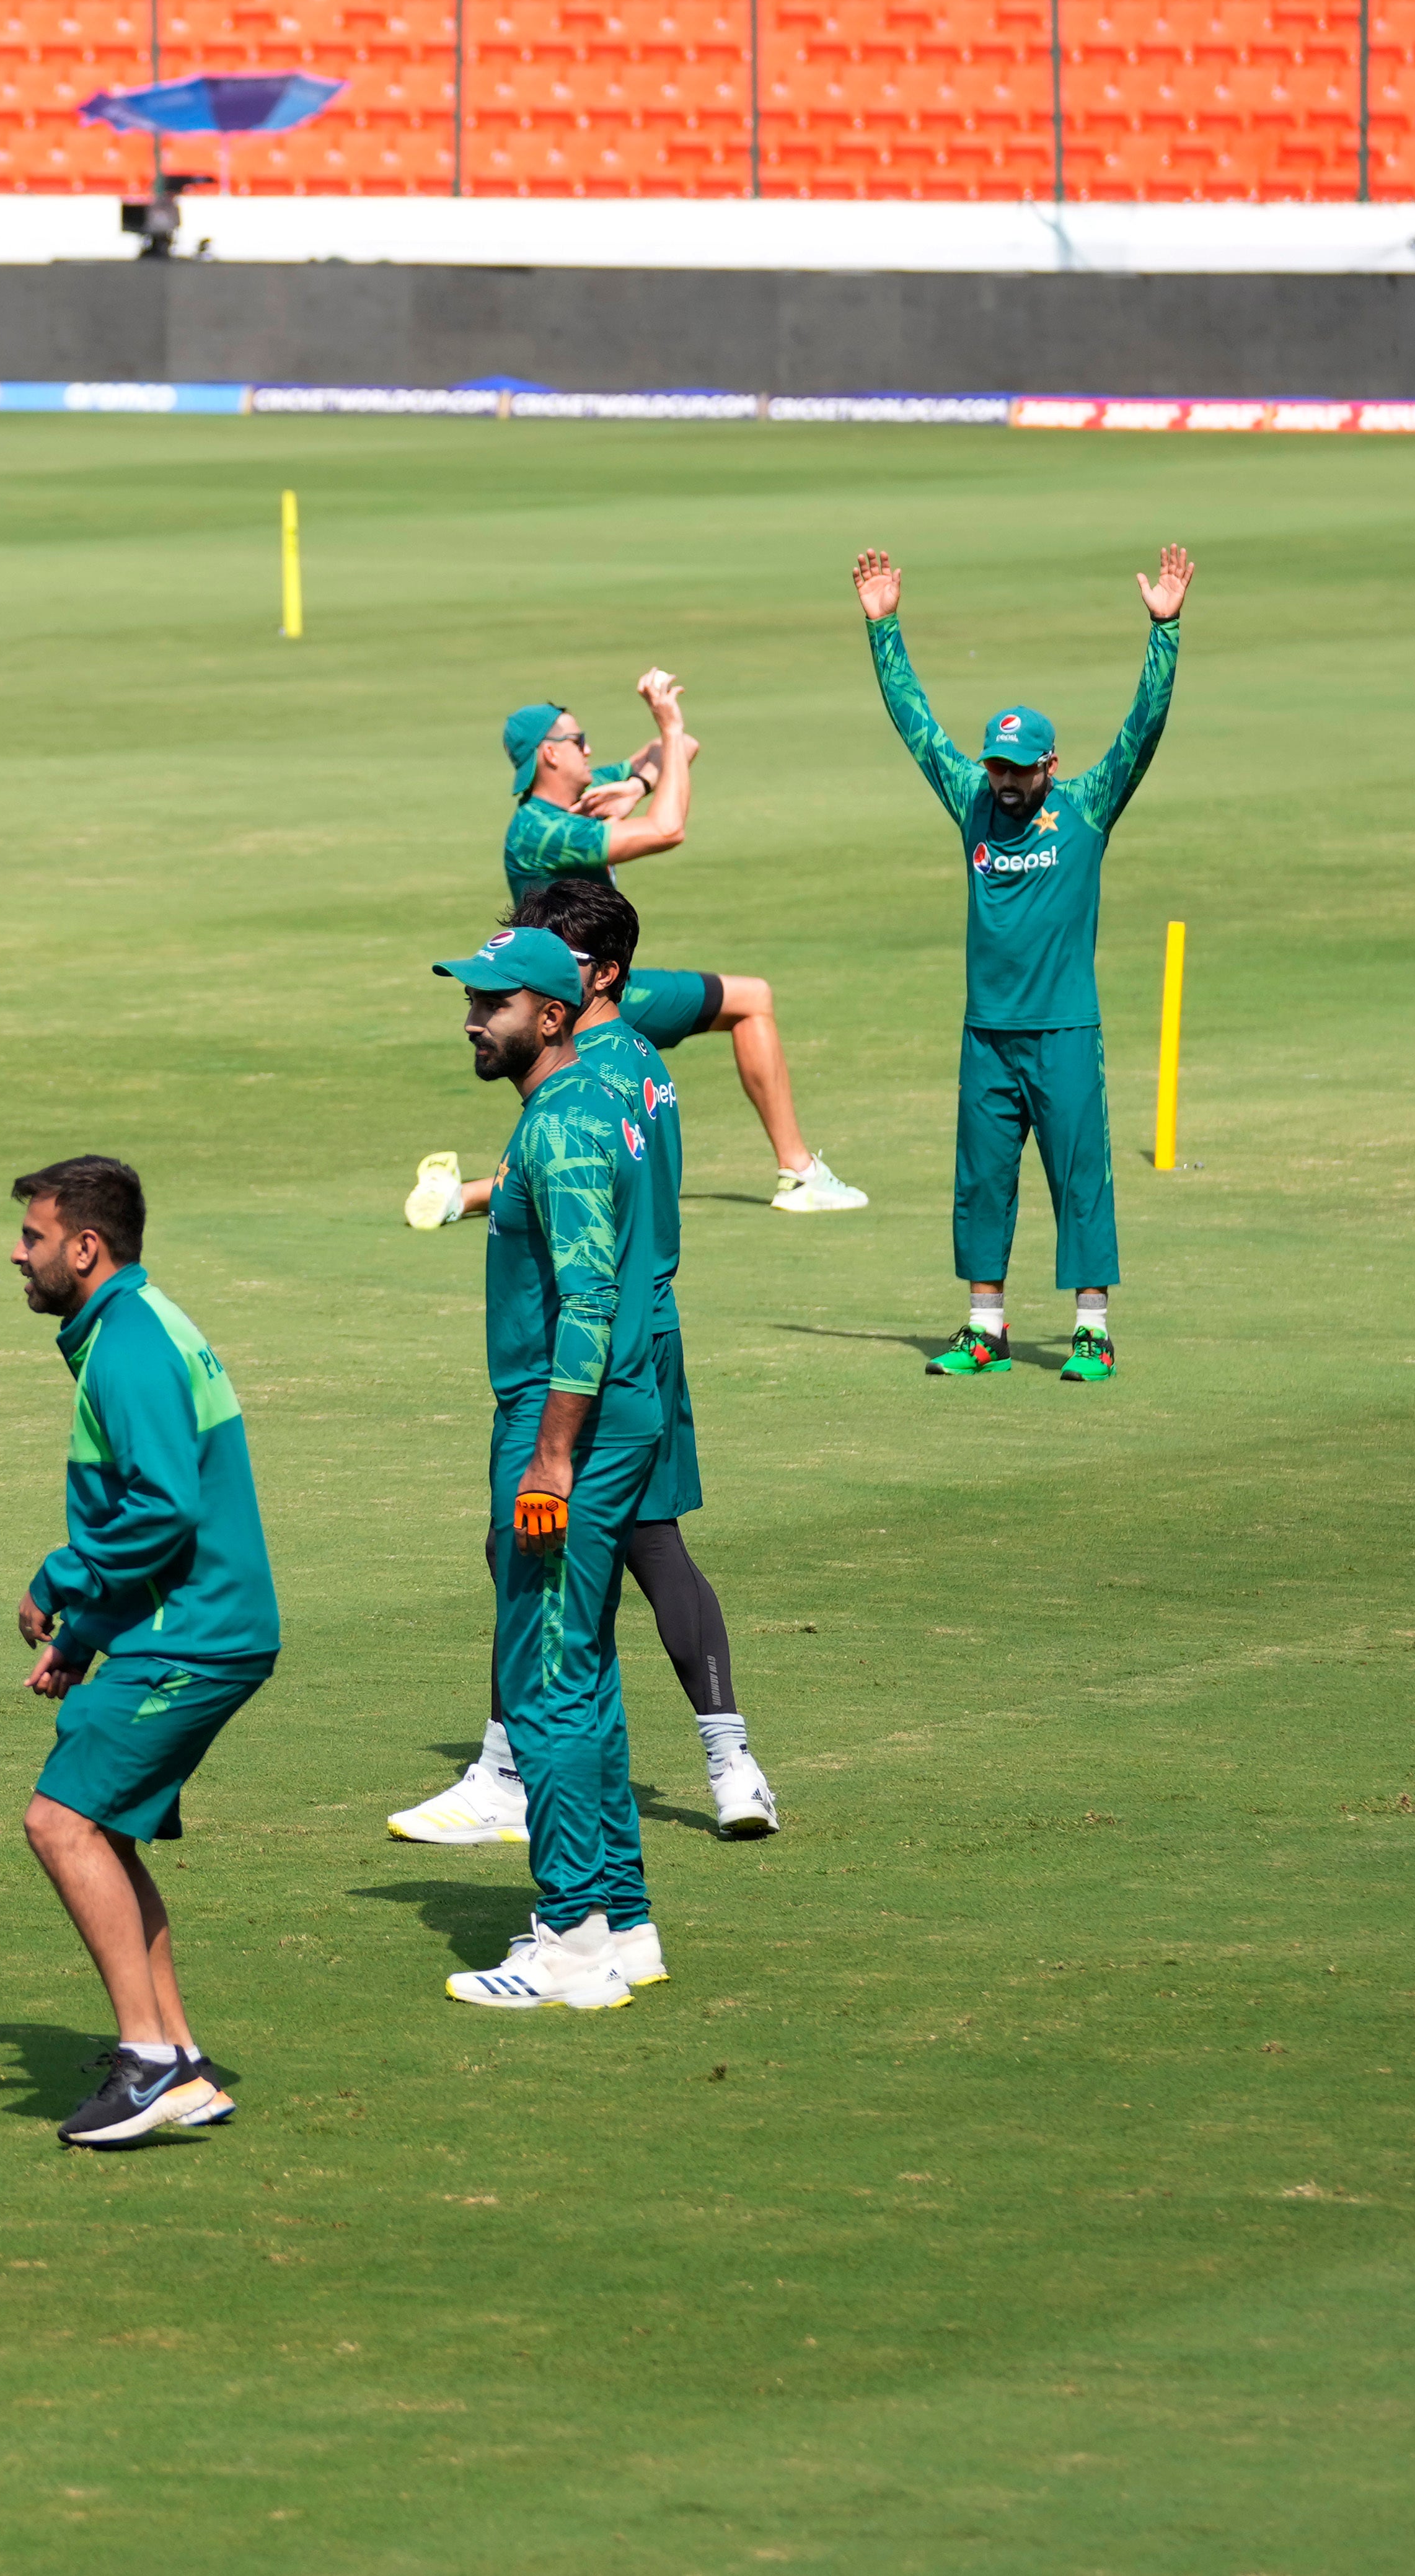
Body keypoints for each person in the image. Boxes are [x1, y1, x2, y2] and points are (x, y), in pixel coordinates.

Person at [392, 874, 777, 1848]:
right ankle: (731, 1765)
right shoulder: (637, 1056)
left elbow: (575, 1222)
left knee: (531, 1554)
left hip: (586, 1352)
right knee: (651, 1546)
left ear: (587, 982)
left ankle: (507, 1775)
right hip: (652, 1333)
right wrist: (473, 1197)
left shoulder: (577, 1082)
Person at [857, 545, 1192, 1381]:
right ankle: (984, 1326)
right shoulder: (969, 799)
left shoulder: (1085, 807)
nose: (1002, 780)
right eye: (995, 764)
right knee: (980, 1181)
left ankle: (1089, 1328)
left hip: (1064, 1030)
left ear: (1047, 764)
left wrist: (1164, 629)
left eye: (1017, 767)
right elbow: (913, 722)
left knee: (1079, 1179)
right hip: (986, 1036)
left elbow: (1140, 731)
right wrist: (882, 626)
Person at [7, 1154, 278, 2146]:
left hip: (193, 1638)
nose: (18, 1253)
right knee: (104, 1833)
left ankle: (148, 2063)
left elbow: (162, 1506)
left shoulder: (125, 1346)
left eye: (32, 1238)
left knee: (59, 1824)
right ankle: (181, 2057)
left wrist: (62, 1579)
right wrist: (81, 1638)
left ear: (84, 1247)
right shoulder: (139, 1322)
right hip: (191, 1627)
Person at [430, 923, 673, 2015]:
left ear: (553, 1013)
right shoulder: (580, 1103)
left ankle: (568, 1941)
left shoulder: (564, 1124)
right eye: (473, 999)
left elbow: (588, 1297)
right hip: (605, 1408)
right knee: (584, 1665)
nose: (475, 1017)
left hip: (565, 1412)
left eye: (496, 1001)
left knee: (543, 1676)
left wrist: (549, 1456)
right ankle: (620, 1921)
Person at [417, 674, 867, 1221]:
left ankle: (461, 1196)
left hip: (597, 986)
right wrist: (667, 728)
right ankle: (799, 1174)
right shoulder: (540, 828)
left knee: (605, 1111)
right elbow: (668, 829)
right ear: (550, 754)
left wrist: (633, 785)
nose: (590, 749)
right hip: (580, 1000)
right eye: (579, 740)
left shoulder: (583, 796)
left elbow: (678, 751)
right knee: (603, 1114)